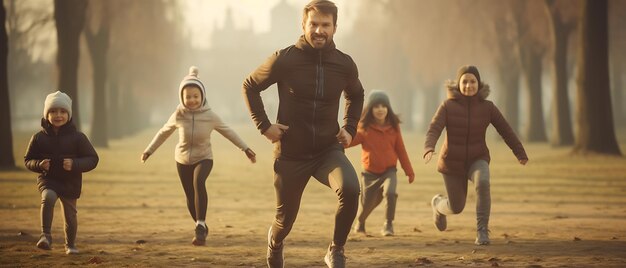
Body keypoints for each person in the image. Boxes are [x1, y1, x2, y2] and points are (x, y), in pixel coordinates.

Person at [242, 0, 364, 266]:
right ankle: (275, 243)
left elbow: (356, 94)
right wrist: (264, 126)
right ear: (304, 25)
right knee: (284, 220)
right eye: (314, 24)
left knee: (352, 189)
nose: (319, 30)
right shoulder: (284, 59)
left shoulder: (344, 64)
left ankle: (336, 249)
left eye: (325, 25)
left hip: (327, 151)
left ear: (334, 27)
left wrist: (350, 127)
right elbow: (250, 86)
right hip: (291, 154)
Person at [142, 66, 257, 246]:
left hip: (204, 157)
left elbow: (228, 132)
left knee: (198, 183)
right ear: (182, 97)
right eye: (188, 97)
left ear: (202, 96)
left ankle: (200, 225)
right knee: (189, 195)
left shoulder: (210, 116)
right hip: (182, 159)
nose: (192, 100)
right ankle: (200, 225)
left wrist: (245, 148)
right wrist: (149, 150)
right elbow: (163, 132)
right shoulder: (178, 115)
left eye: (195, 96)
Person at [424, 65, 528, 245]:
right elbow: (434, 128)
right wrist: (429, 147)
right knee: (456, 207)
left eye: (473, 81)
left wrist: (519, 152)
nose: (469, 85)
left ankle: (482, 231)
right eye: (465, 82)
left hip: (477, 158)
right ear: (459, 84)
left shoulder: (488, 108)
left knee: (483, 182)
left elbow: (506, 130)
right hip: (451, 163)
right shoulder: (448, 106)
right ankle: (438, 205)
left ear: (478, 84)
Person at [24, 91, 99, 255]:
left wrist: (75, 164)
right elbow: (28, 159)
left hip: (70, 182)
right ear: (47, 114)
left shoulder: (78, 137)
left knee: (70, 215)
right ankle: (45, 236)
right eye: (53, 111)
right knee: (48, 196)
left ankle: (70, 245)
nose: (58, 115)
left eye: (63, 111)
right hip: (48, 179)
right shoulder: (38, 138)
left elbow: (93, 159)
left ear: (69, 114)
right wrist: (39, 164)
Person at [346, 90, 414, 237]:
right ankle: (360, 222)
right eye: (376, 106)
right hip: (369, 174)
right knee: (367, 205)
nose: (380, 109)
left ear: (388, 108)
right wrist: (335, 143)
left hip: (389, 171)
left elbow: (401, 150)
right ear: (370, 109)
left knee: (390, 193)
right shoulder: (364, 128)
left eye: (384, 106)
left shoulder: (394, 127)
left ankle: (388, 225)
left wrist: (409, 171)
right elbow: (349, 141)